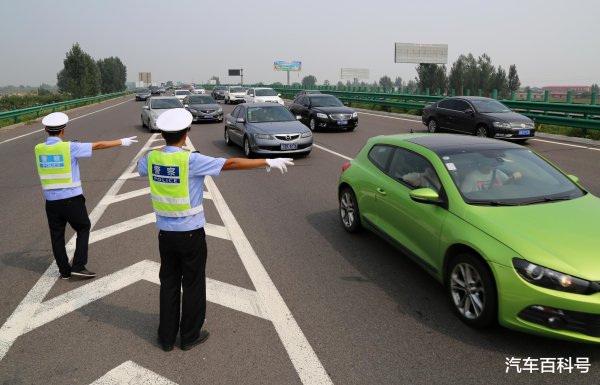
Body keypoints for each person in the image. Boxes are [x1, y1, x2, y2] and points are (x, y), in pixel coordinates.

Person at [137, 108, 294, 352]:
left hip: (164, 234)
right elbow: (230, 162)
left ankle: (166, 338)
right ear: (186, 133)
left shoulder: (152, 159)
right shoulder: (191, 160)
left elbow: (141, 168)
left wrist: (160, 150)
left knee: (168, 283)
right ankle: (189, 336)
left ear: (163, 133)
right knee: (193, 283)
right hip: (190, 233)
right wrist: (267, 161)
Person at [35, 112, 138, 280]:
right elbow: (97, 146)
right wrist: (121, 141)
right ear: (63, 130)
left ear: (46, 129)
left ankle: (64, 271)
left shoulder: (38, 149)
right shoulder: (70, 147)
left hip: (51, 202)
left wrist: (72, 145)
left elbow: (58, 150)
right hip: (71, 200)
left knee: (57, 236)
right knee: (83, 228)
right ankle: (78, 265)